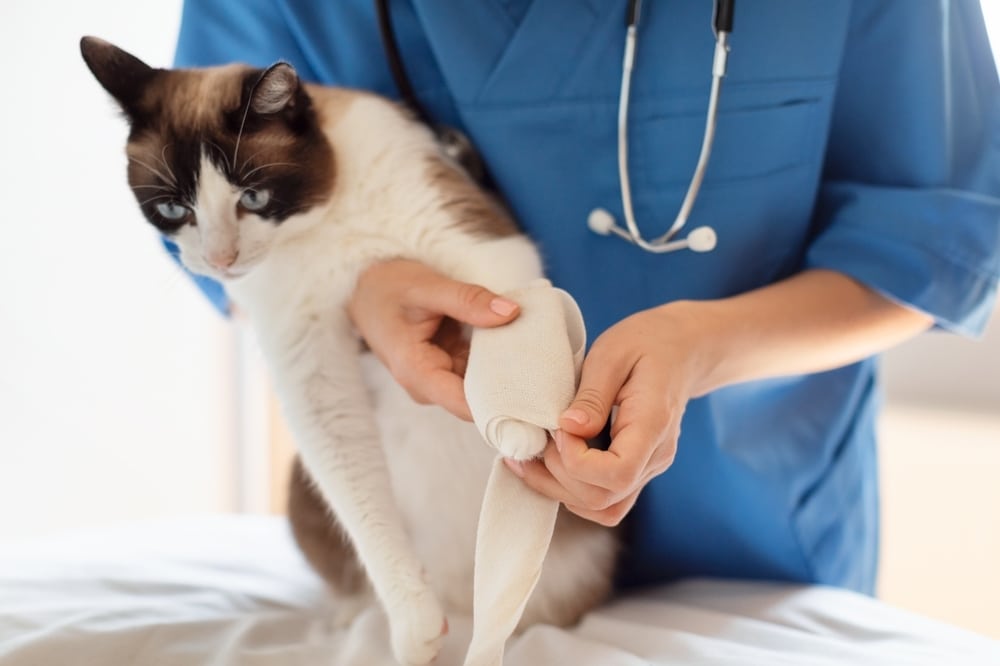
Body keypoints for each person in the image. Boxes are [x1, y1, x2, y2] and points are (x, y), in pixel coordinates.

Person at [172, 1, 1000, 594]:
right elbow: (198, 202)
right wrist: (356, 294)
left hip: (754, 528)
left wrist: (704, 344)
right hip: (440, 526)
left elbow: (929, 237)